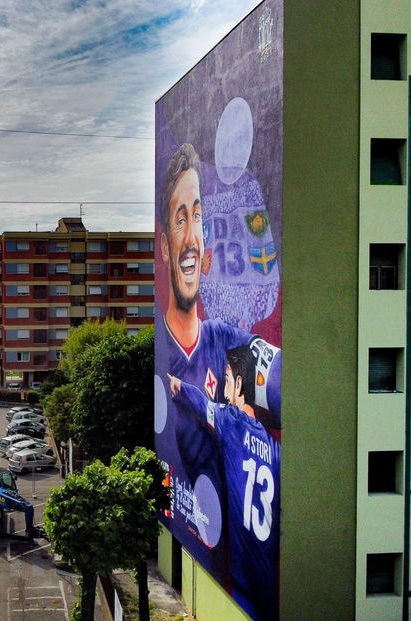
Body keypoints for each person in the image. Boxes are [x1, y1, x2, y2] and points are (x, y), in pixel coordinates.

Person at [155, 143, 281, 585]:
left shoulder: (226, 341)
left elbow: (280, 381)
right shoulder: (162, 349)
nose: (191, 235)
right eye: (180, 218)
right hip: (202, 567)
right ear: (166, 246)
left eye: (198, 217)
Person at [167, 345, 280, 621]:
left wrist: (178, 385)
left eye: (227, 378)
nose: (224, 385)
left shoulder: (231, 423)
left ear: (239, 383)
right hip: (271, 595)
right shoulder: (276, 451)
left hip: (243, 586)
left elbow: (200, 403)